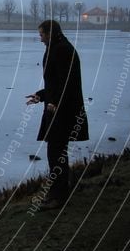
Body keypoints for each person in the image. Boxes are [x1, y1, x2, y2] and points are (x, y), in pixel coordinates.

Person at [26, 20, 89, 210]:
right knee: (56, 152)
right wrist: (41, 95)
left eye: (42, 35)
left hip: (62, 111)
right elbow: (56, 82)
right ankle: (57, 193)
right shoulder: (58, 48)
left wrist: (55, 101)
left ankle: (58, 197)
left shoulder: (62, 50)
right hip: (58, 108)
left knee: (56, 153)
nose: (40, 39)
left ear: (50, 34)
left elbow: (66, 82)